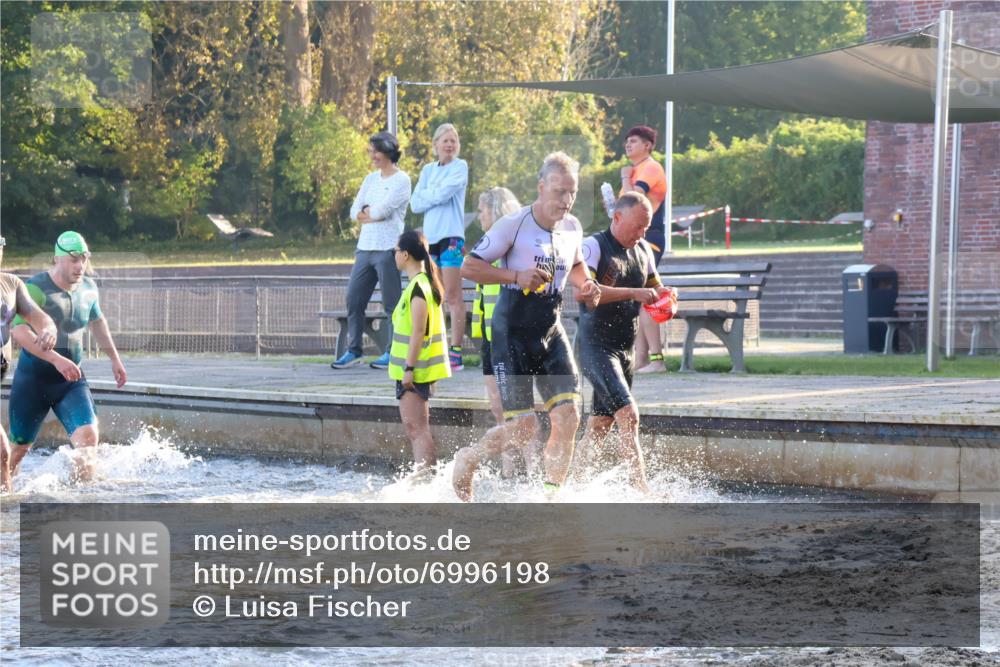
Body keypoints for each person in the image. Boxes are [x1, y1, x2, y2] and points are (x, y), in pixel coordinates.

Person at [453, 152, 601, 502]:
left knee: (569, 415)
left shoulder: (573, 227)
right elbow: (469, 267)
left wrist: (587, 285)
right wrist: (516, 276)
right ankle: (469, 457)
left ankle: (551, 496)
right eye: (559, 191)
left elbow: (576, 266)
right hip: (512, 332)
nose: (566, 200)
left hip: (550, 327)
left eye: (572, 192)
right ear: (541, 186)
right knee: (524, 427)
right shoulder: (514, 224)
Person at [6, 231, 127, 486]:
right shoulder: (35, 288)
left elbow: (97, 322)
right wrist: (55, 359)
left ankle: (77, 499)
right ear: (56, 259)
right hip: (33, 381)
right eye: (73, 259)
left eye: (83, 258)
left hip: (70, 381)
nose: (80, 265)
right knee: (16, 451)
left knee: (88, 441)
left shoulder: (89, 288)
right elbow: (19, 331)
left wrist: (115, 359)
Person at [572, 192, 672, 492]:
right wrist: (632, 293)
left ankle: (574, 487)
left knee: (601, 425)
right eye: (637, 226)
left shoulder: (643, 251)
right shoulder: (593, 246)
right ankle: (641, 491)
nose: (641, 233)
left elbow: (657, 289)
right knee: (629, 415)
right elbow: (584, 292)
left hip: (624, 350)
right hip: (595, 346)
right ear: (617, 217)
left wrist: (669, 298)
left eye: (646, 227)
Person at [471, 187, 541, 476]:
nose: (479, 215)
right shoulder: (486, 246)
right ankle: (509, 470)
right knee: (498, 407)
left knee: (521, 409)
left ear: (495, 210)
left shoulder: (516, 245)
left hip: (512, 336)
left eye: (482, 210)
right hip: (491, 338)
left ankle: (535, 469)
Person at [332, 132, 411, 370]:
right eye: (371, 151)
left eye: (375, 151)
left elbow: (382, 211)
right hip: (364, 249)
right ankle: (354, 350)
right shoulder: (370, 179)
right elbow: (354, 211)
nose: (372, 155)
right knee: (353, 299)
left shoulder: (402, 180)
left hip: (388, 250)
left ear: (387, 151)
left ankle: (393, 351)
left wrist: (369, 212)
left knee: (391, 304)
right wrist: (366, 212)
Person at [387, 229, 451, 474]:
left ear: (405, 255)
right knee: (416, 429)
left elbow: (418, 332)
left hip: (415, 370)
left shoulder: (418, 288)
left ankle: (425, 478)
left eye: (395, 251)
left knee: (417, 430)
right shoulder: (422, 283)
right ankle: (424, 475)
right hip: (417, 369)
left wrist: (409, 369)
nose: (394, 255)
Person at [1, 234, 59, 492]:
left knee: (3, 456)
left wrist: (48, 329)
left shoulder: (11, 284)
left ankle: (5, 503)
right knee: (2, 452)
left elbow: (39, 317)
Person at [409, 123, 469, 371]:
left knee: (453, 295)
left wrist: (429, 194)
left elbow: (444, 194)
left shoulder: (460, 167)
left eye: (453, 141)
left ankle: (456, 351)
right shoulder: (427, 170)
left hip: (451, 237)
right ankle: (436, 347)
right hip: (430, 239)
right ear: (435, 144)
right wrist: (432, 194)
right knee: (434, 295)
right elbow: (415, 204)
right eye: (445, 141)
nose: (450, 145)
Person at [619, 125, 669, 374]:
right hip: (633, 239)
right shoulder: (635, 170)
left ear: (647, 145)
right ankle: (641, 359)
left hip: (649, 239)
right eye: (627, 141)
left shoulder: (650, 167)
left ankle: (657, 360)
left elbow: (634, 203)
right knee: (635, 298)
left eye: (634, 141)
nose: (628, 145)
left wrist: (624, 178)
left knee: (646, 296)